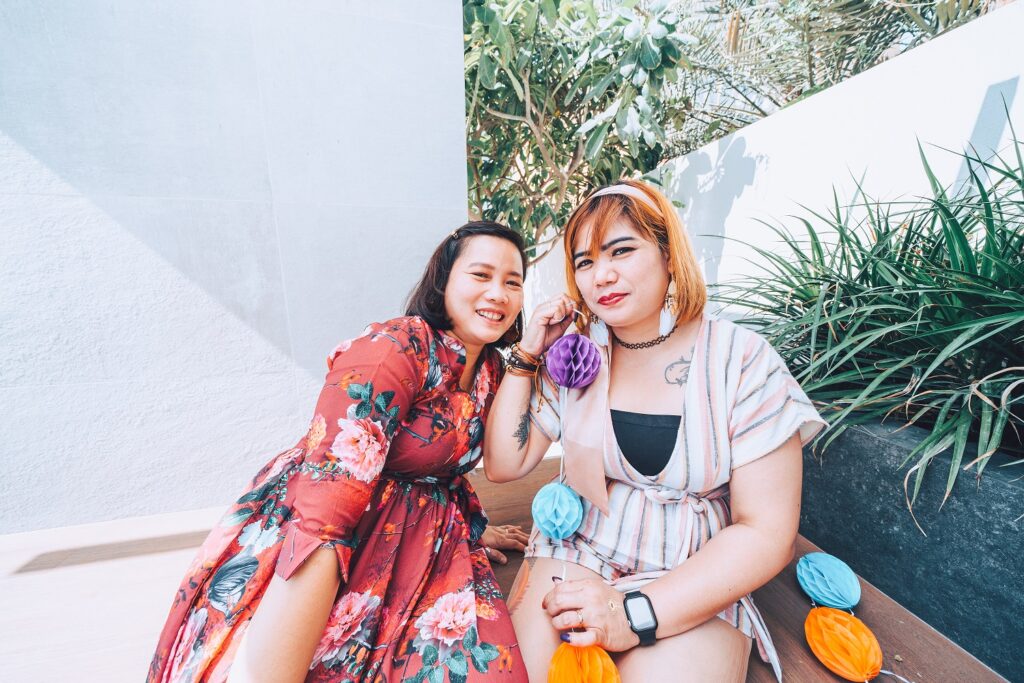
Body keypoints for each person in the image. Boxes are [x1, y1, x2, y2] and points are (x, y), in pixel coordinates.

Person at [149, 221, 532, 683]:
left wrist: (475, 526)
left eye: (513, 282)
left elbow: (448, 464)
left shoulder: (491, 369)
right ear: (444, 281)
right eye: (481, 275)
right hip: (338, 517)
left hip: (424, 535)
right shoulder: (395, 346)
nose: (499, 293)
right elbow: (329, 500)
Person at [483, 181, 826, 682]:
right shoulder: (577, 355)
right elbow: (504, 464)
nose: (602, 275)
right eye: (584, 262)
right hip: (582, 542)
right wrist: (528, 356)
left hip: (691, 565)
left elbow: (766, 531)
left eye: (622, 250)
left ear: (669, 254)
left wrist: (631, 614)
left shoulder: (741, 359)